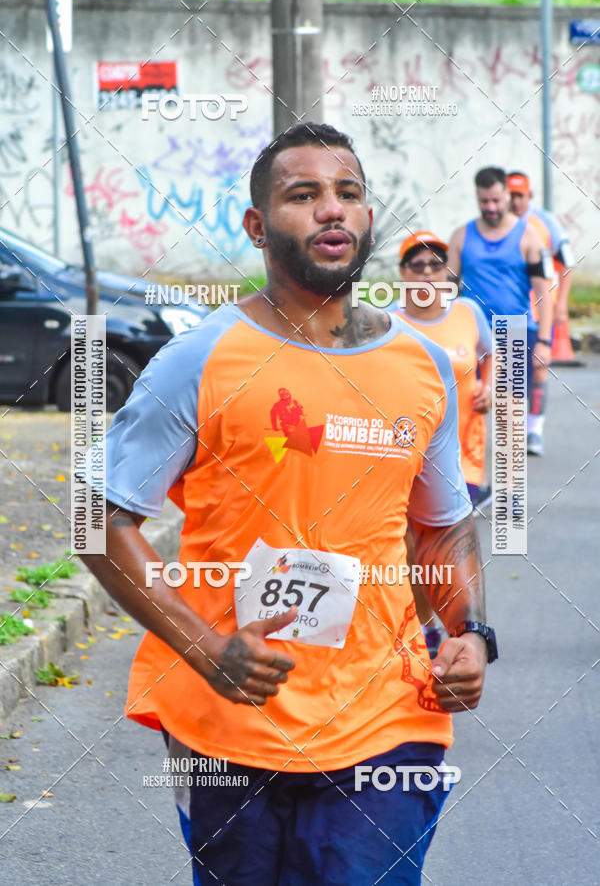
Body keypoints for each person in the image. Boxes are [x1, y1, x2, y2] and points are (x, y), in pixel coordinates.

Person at [83, 123, 497, 886]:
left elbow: (441, 526)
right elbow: (97, 516)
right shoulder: (201, 358)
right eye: (303, 195)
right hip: (230, 722)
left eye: (348, 193)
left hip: (385, 713)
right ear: (257, 225)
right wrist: (207, 651)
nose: (331, 209)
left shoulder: (424, 366)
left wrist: (470, 632)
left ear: (367, 216)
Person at [394, 230, 493, 658]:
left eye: (436, 265)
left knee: (447, 544)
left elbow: (491, 353)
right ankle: (426, 626)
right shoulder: (388, 322)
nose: (428, 275)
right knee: (411, 547)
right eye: (417, 266)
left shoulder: (469, 313)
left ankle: (457, 629)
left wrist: (489, 387)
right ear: (403, 274)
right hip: (407, 454)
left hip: (463, 455)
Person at [447, 167, 553, 456]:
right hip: (473, 331)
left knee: (509, 411)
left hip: (515, 330)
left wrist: (544, 341)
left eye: (496, 200)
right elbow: (446, 289)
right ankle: (467, 464)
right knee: (470, 399)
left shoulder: (529, 236)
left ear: (507, 195)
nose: (491, 207)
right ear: (477, 198)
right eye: (485, 201)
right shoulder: (461, 236)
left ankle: (526, 442)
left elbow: (544, 293)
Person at [507, 171, 576, 446]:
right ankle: (512, 432)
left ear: (530, 195)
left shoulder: (546, 222)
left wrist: (562, 304)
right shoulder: (500, 224)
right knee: (512, 372)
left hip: (542, 309)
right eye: (510, 196)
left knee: (538, 366)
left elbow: (567, 261)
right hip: (514, 310)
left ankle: (534, 430)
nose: (515, 201)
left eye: (519, 196)